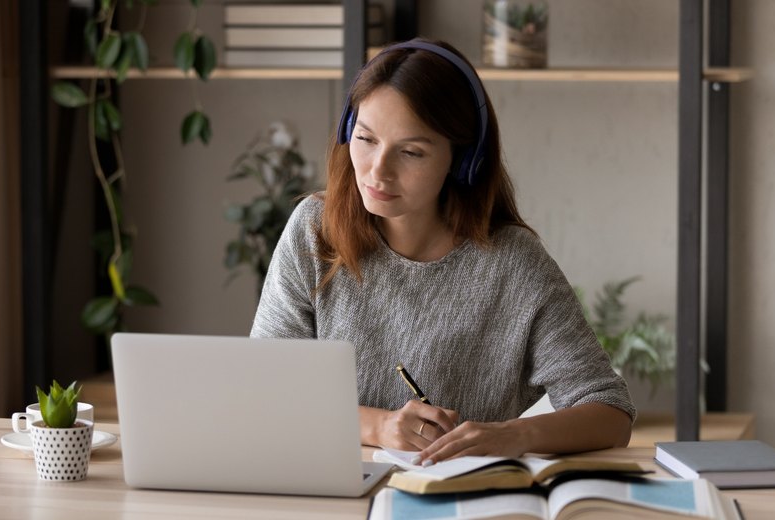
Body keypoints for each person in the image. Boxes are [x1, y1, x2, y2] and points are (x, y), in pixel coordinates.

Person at [251, 38, 635, 466]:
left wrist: (513, 435)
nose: (378, 170)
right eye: (365, 138)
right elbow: (266, 390)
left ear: (462, 159)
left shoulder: (513, 263)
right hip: (328, 490)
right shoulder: (314, 231)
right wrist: (379, 426)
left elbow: (611, 412)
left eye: (411, 151)